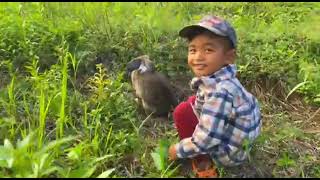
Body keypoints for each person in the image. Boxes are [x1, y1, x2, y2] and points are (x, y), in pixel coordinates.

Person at [168, 15, 262, 178]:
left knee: (182, 112)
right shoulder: (223, 80)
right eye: (193, 49)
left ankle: (203, 163)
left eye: (208, 50)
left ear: (229, 57)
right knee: (192, 102)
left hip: (229, 155)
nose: (198, 57)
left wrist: (177, 150)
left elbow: (206, 140)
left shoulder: (219, 93)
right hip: (242, 144)